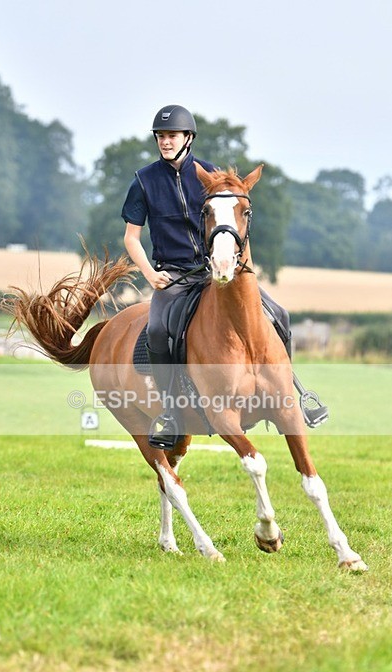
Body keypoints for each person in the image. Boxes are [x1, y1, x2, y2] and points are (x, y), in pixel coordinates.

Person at [122, 104, 315, 450]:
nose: (165, 142)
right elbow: (131, 238)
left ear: (188, 138)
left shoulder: (210, 175)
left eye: (172, 136)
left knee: (280, 314)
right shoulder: (144, 181)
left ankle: (286, 393)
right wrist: (150, 274)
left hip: (217, 271)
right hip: (174, 277)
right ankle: (171, 413)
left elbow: (235, 217)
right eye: (160, 136)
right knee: (157, 330)